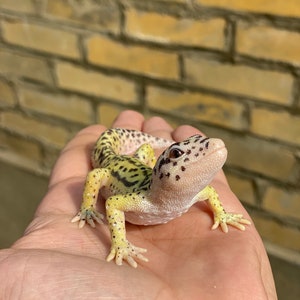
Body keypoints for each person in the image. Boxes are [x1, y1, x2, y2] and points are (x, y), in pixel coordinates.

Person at [0, 110, 277, 299]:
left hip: (139, 161)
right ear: (162, 170)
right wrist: (113, 237)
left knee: (145, 152)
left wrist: (222, 214)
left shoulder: (200, 192)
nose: (208, 147)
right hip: (116, 164)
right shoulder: (142, 200)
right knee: (99, 173)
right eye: (180, 153)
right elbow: (110, 197)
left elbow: (211, 194)